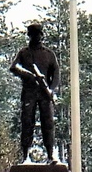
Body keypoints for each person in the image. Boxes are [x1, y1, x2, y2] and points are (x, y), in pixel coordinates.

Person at [9, 22, 61, 163]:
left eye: (38, 35)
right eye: (33, 35)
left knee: (48, 124)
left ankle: (50, 154)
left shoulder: (49, 54)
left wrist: (51, 89)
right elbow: (13, 68)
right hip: (29, 92)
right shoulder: (24, 53)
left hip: (45, 94)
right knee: (27, 123)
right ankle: (25, 155)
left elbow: (56, 74)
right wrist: (28, 76)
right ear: (29, 36)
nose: (37, 37)